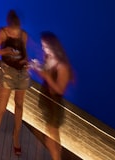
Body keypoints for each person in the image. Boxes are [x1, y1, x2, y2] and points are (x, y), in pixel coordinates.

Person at [0, 10, 31, 159]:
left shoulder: (24, 35)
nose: (15, 33)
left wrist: (27, 63)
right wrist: (6, 50)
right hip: (8, 72)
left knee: (19, 105)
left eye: (17, 30)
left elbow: (25, 54)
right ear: (9, 24)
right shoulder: (3, 32)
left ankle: (16, 136)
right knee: (0, 109)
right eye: (13, 29)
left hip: (22, 73)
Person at [31, 31, 72, 160]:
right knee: (53, 138)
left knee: (50, 140)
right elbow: (45, 76)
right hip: (47, 101)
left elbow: (60, 90)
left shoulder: (62, 66)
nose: (43, 48)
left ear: (53, 46)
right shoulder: (48, 58)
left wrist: (47, 76)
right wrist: (36, 68)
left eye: (45, 46)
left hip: (54, 106)